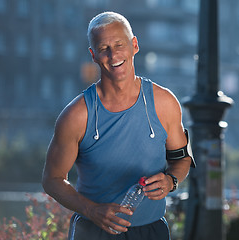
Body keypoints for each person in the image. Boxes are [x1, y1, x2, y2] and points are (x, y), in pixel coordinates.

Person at [42, 11, 195, 240]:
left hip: (152, 231)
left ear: (134, 45)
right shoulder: (76, 115)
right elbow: (52, 180)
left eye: (119, 44)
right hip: (93, 231)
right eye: (104, 48)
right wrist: (92, 211)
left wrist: (170, 181)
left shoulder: (165, 103)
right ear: (93, 55)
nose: (113, 55)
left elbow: (182, 159)